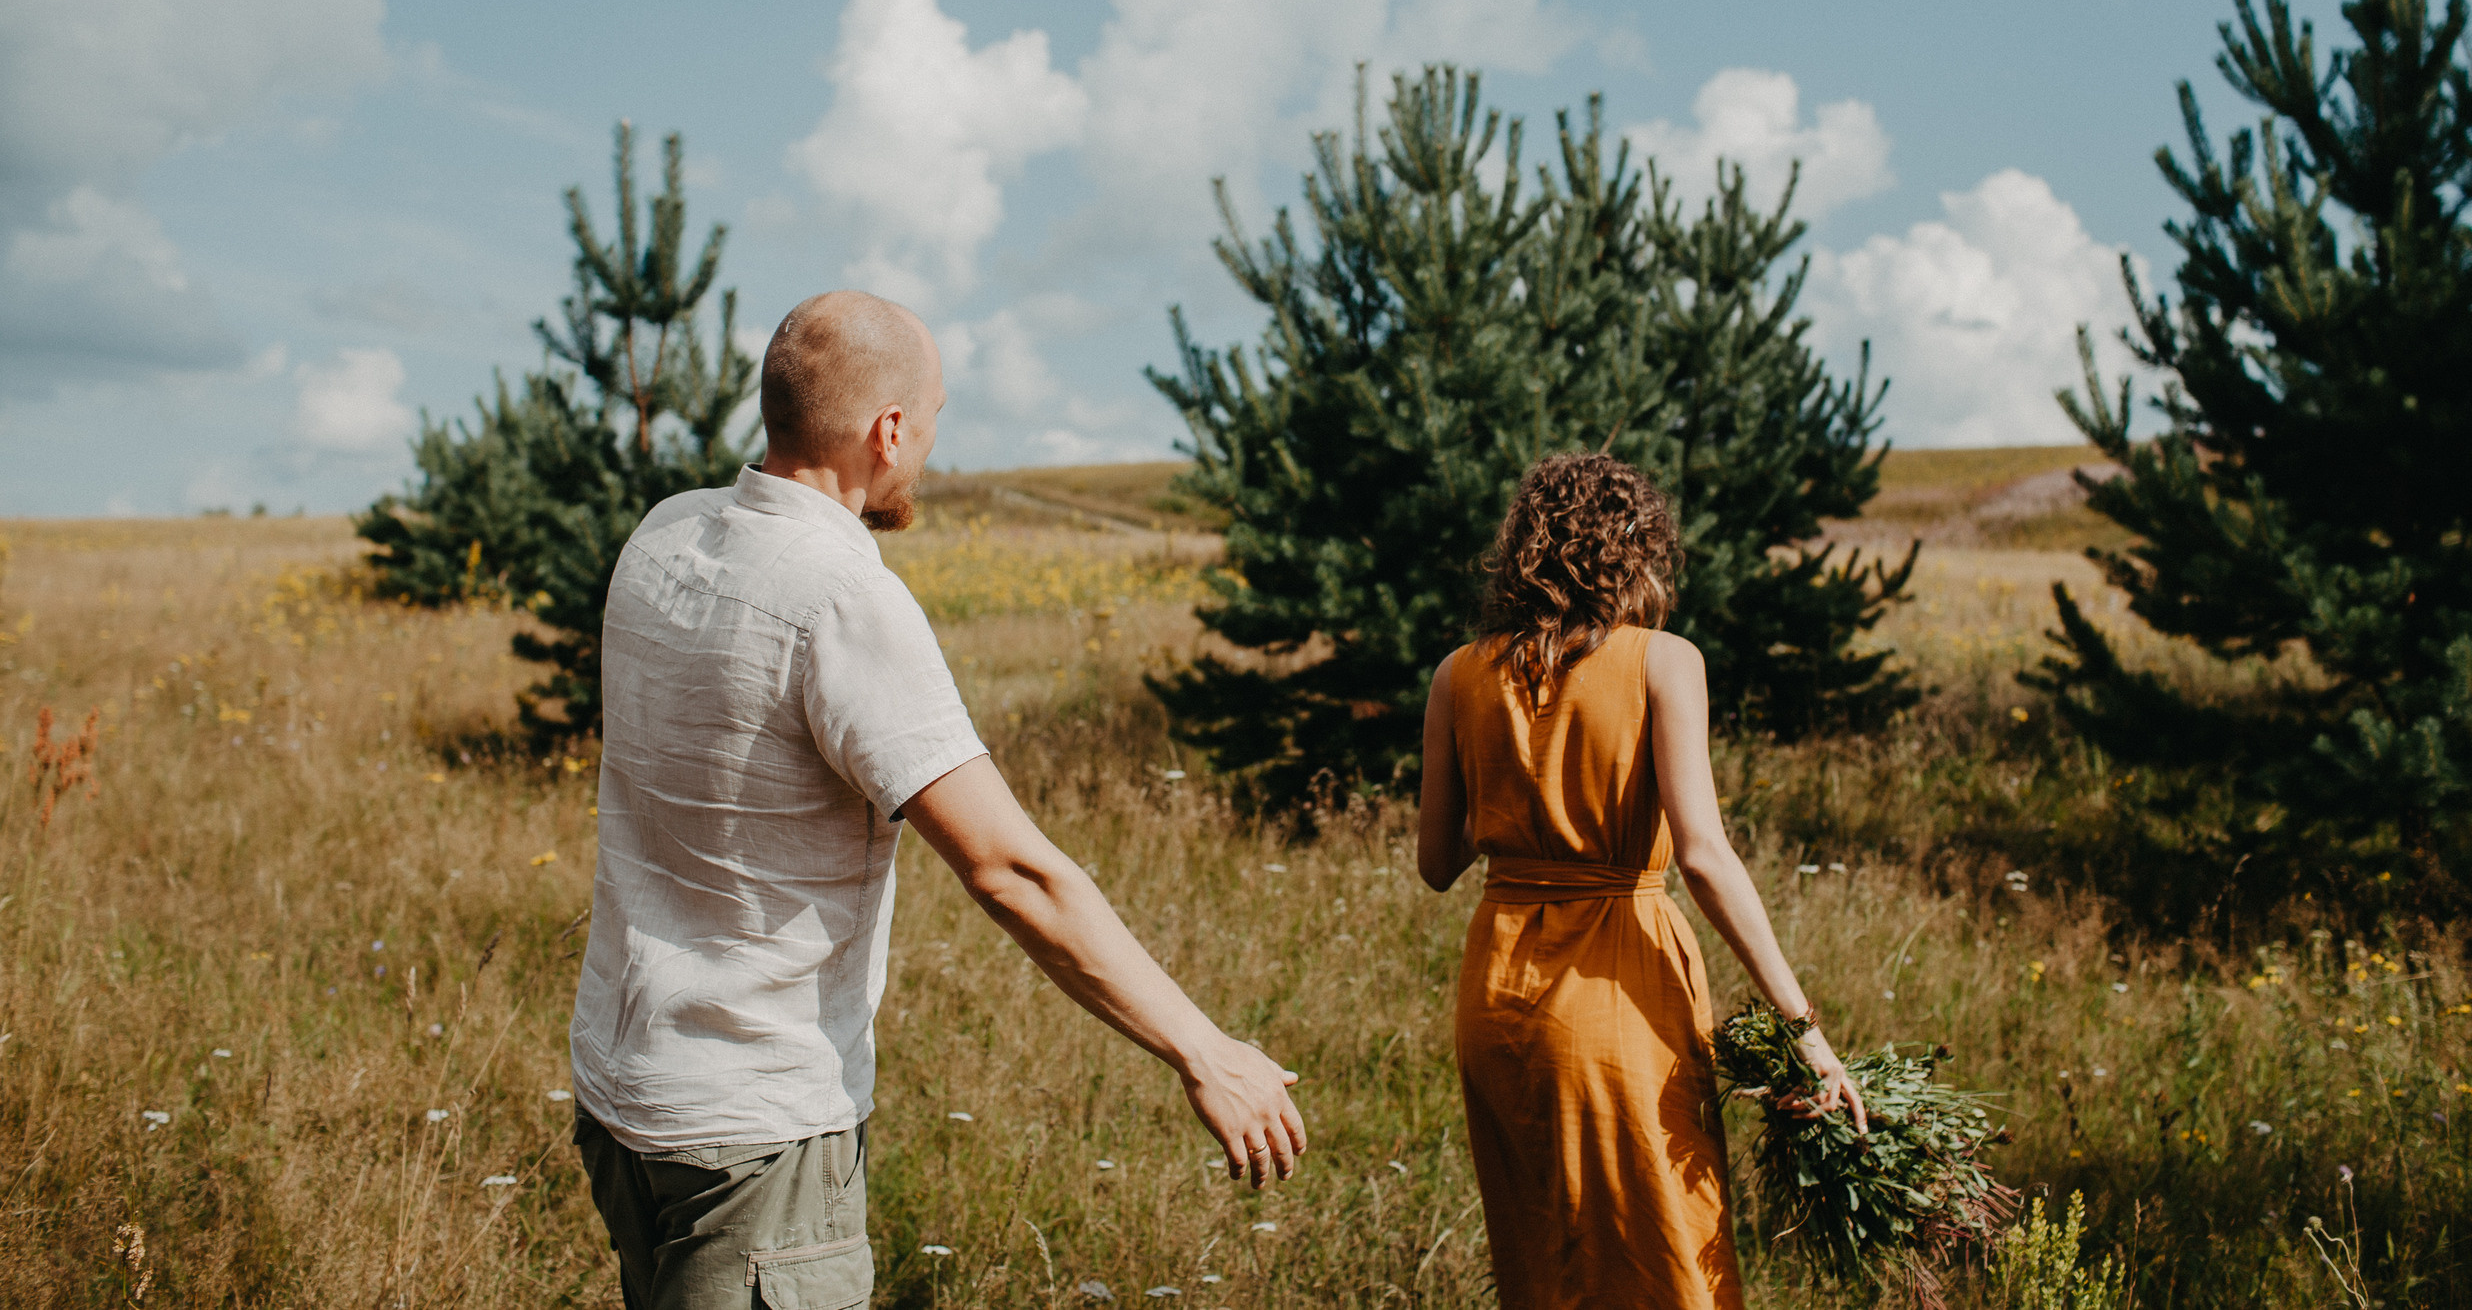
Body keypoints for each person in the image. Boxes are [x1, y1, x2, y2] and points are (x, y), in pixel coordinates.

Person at [570, 289, 1305, 1310]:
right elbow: (1009, 869)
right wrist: (1204, 1049)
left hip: (620, 1093)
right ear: (888, 430)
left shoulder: (662, 533)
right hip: (754, 1129)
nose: (927, 448)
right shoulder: (842, 596)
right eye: (933, 419)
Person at [1416, 452, 1866, 1310]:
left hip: (1498, 997)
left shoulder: (1457, 673)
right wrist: (1803, 1027)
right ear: (1633, 548)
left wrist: (1518, 791)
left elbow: (1438, 864)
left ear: (1521, 551)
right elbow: (1703, 854)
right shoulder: (1665, 661)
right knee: (1663, 1254)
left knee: (1543, 1259)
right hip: (1617, 986)